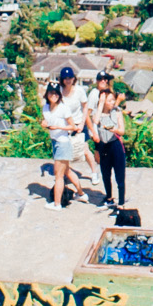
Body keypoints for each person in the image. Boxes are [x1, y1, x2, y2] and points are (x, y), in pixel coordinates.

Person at [89, 70, 129, 212]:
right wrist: (100, 103)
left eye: (113, 100)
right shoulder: (99, 113)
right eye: (109, 101)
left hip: (115, 145)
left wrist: (114, 130)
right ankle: (109, 197)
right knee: (106, 174)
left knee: (119, 175)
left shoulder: (117, 111)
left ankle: (121, 202)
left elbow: (122, 130)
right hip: (104, 147)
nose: (112, 103)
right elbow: (95, 120)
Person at [46, 66, 84, 208]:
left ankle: (57, 204)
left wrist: (58, 128)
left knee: (59, 175)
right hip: (55, 141)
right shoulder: (47, 107)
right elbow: (48, 120)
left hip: (63, 142)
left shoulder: (63, 107)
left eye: (56, 94)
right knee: (67, 171)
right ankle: (81, 193)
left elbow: (72, 126)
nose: (54, 96)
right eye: (51, 94)